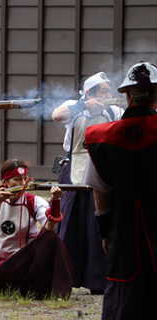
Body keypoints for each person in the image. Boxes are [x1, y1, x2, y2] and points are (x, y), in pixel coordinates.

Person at [84, 61, 157, 319]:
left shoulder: (101, 136)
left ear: (126, 95)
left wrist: (105, 232)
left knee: (125, 290)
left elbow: (99, 192)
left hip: (122, 224)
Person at [51, 71, 124, 294]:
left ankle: (99, 281)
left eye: (109, 91)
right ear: (89, 93)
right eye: (103, 91)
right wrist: (84, 106)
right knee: (69, 226)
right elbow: (56, 115)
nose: (108, 95)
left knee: (98, 229)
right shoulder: (74, 106)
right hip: (74, 171)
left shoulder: (114, 111)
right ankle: (64, 281)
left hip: (103, 173)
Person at [0, 159, 73, 298]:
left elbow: (50, 229)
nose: (22, 184)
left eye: (25, 179)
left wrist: (56, 201)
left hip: (24, 264)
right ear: (5, 182)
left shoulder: (33, 201)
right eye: (17, 179)